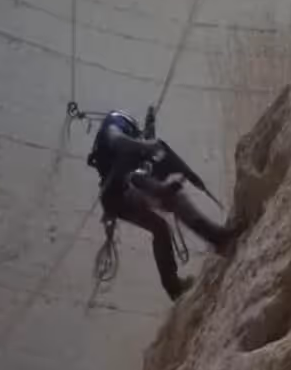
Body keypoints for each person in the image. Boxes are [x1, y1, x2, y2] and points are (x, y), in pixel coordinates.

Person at [88, 110, 235, 300]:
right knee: (165, 215)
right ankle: (213, 241)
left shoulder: (128, 134)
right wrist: (146, 145)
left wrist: (148, 135)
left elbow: (139, 155)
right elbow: (117, 140)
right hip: (119, 194)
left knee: (163, 222)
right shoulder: (115, 122)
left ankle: (177, 283)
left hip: (124, 190)